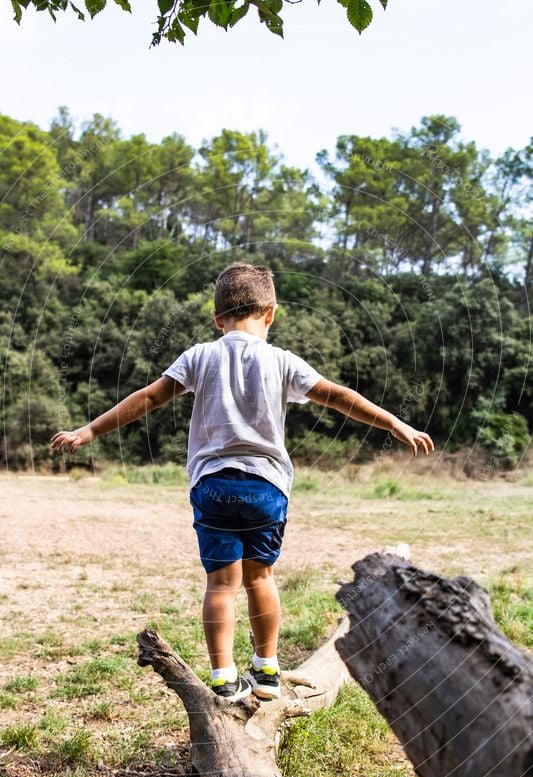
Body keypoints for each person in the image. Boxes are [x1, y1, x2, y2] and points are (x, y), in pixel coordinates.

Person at [51, 262, 434, 703]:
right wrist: (393, 424)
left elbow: (148, 397)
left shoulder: (199, 356)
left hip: (212, 484)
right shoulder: (282, 360)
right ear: (270, 313)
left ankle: (222, 675)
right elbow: (338, 396)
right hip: (266, 488)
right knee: (261, 578)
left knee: (220, 585)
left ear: (218, 319)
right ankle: (267, 670)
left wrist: (90, 431)